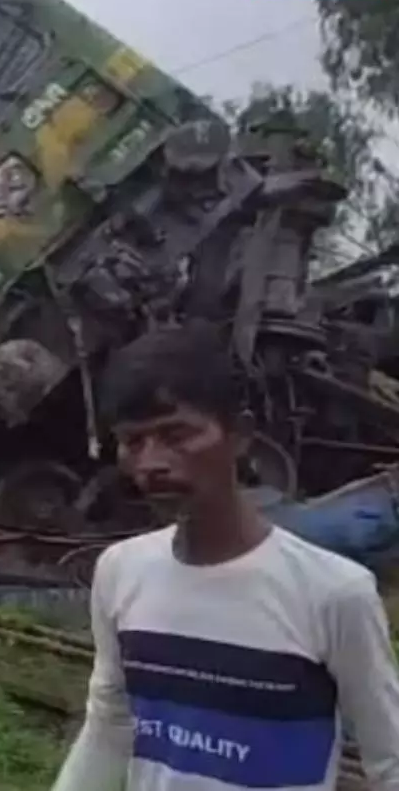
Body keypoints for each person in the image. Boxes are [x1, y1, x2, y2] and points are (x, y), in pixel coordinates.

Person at [53, 322, 399, 791]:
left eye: (176, 435)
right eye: (134, 442)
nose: (151, 463)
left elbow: (389, 763)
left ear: (241, 435)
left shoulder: (334, 593)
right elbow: (109, 726)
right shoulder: (120, 571)